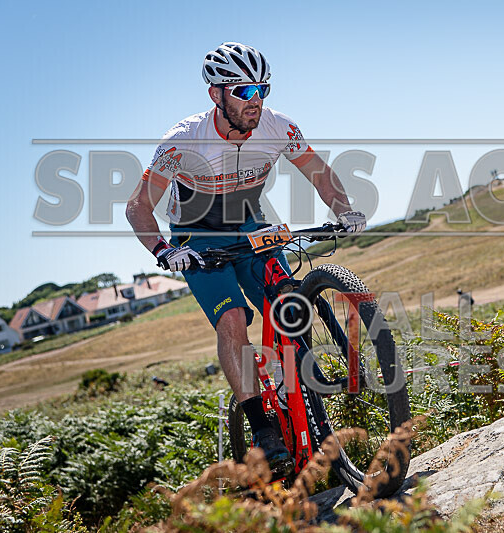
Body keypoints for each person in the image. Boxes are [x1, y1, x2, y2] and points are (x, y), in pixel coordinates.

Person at [126, 42, 366, 475]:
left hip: (251, 225)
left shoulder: (278, 128)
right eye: (243, 91)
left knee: (288, 301)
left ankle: (304, 391)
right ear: (216, 94)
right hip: (197, 238)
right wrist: (165, 251)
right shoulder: (183, 140)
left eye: (262, 90)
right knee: (233, 320)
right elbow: (138, 207)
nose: (255, 102)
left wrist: (343, 209)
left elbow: (319, 173)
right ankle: (262, 427)